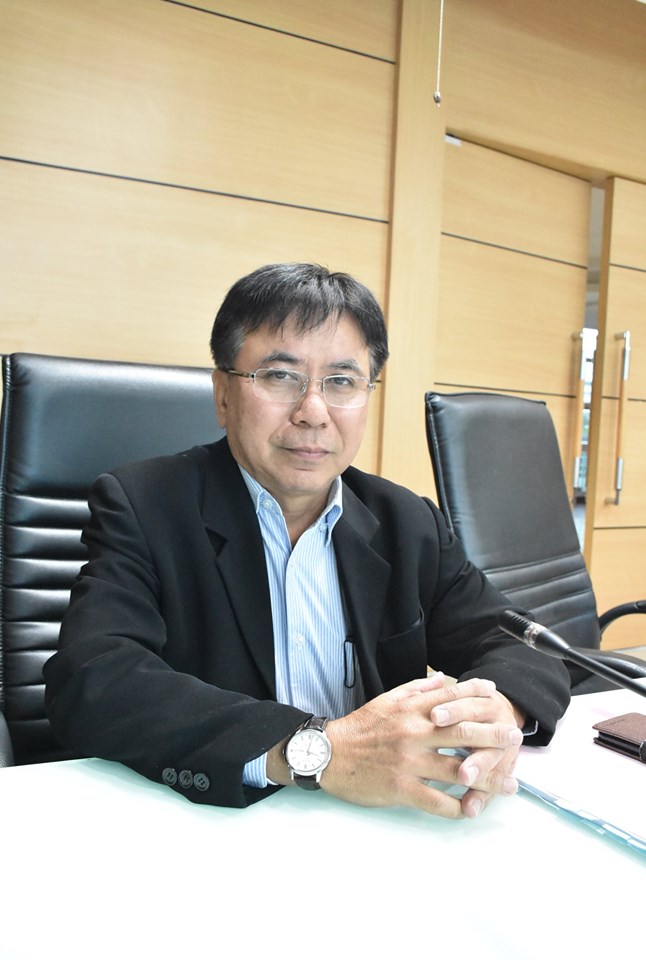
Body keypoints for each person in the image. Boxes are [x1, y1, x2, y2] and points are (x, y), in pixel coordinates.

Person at [44, 262, 570, 819]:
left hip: (372, 823)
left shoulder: (405, 521)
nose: (313, 412)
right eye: (280, 376)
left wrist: (497, 710)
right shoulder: (145, 504)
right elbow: (94, 680)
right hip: (215, 820)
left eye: (342, 382)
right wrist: (313, 751)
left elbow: (522, 646)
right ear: (223, 395)